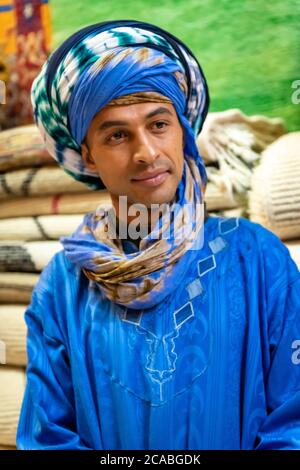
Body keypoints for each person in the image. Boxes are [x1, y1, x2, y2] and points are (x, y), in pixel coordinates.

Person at [17, 20, 300, 450]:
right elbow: (48, 436)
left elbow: (292, 422)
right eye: (117, 135)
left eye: (159, 124)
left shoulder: (258, 258)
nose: (146, 153)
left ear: (183, 131)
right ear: (88, 154)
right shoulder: (63, 284)